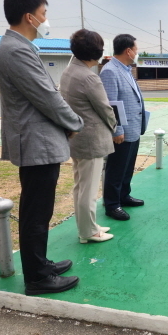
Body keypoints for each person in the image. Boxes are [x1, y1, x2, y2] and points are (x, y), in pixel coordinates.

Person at [0, 0, 84, 295]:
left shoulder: (19, 47)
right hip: (36, 142)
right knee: (35, 211)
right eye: (44, 14)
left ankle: (40, 263)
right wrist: (74, 122)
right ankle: (37, 277)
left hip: (39, 140)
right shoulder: (16, 50)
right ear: (29, 17)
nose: (46, 20)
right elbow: (46, 97)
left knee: (40, 209)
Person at [60, 29, 117, 243]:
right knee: (89, 189)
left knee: (80, 185)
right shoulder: (89, 78)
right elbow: (105, 109)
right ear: (96, 52)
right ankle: (88, 232)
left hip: (76, 138)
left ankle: (88, 225)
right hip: (91, 139)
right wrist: (114, 126)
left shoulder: (69, 71)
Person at [99, 34, 147, 221]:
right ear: (128, 51)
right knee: (116, 168)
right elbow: (110, 104)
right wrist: (116, 130)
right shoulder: (110, 71)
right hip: (122, 131)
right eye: (136, 49)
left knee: (127, 167)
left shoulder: (125, 69)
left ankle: (123, 195)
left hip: (133, 127)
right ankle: (112, 204)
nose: (137, 52)